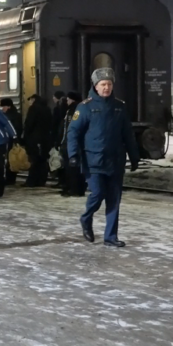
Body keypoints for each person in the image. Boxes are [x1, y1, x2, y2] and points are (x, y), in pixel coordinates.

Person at [67, 68, 140, 248]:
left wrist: (134, 155)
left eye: (109, 84)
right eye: (103, 84)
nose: (106, 87)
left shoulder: (119, 106)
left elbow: (128, 134)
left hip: (115, 160)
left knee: (114, 199)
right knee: (98, 193)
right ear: (96, 86)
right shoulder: (85, 107)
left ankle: (111, 237)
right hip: (93, 160)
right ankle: (86, 218)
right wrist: (73, 154)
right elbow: (73, 132)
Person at [22, 94, 52, 187]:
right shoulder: (47, 109)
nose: (30, 102)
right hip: (45, 138)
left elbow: (29, 124)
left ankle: (31, 181)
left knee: (34, 160)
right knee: (42, 160)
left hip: (34, 139)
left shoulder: (33, 108)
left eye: (30, 100)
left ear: (34, 99)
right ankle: (41, 180)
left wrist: (25, 137)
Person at [60, 92, 85, 197]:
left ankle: (73, 189)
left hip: (71, 143)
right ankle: (77, 188)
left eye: (68, 99)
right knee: (76, 167)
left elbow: (68, 129)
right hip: (76, 143)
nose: (67, 101)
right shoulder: (80, 109)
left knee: (71, 167)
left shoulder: (73, 111)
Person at [0, 98, 23, 186]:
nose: (3, 108)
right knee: (12, 159)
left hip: (9, 140)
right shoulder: (17, 115)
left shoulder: (8, 116)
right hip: (13, 140)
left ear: (8, 106)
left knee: (10, 159)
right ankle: (11, 178)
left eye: (4, 106)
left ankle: (9, 178)